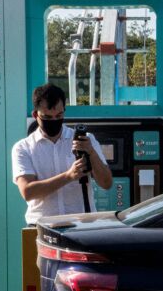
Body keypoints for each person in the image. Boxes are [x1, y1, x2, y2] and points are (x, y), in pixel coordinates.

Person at [12, 83, 113, 224]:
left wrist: (91, 153)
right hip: (42, 226)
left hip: (81, 224)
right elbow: (28, 192)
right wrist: (68, 176)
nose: (54, 121)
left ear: (64, 112)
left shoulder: (86, 140)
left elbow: (107, 183)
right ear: (35, 115)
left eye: (58, 115)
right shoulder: (23, 148)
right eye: (47, 117)